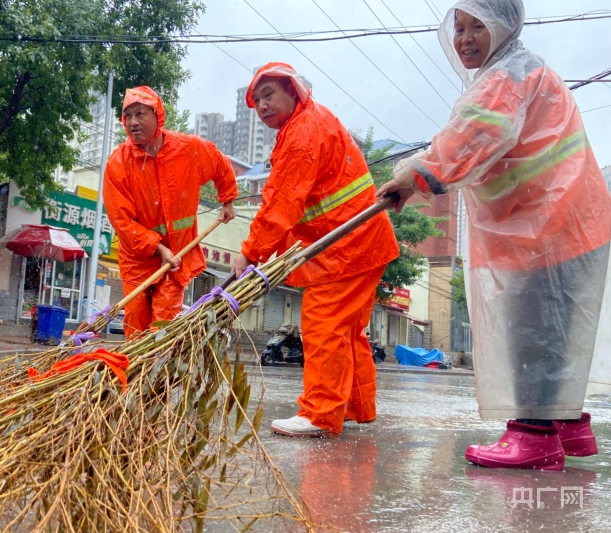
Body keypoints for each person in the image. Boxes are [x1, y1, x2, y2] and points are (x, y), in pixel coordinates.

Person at [377, 0, 611, 470]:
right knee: (556, 335)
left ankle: (534, 436)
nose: (464, 38)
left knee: (529, 336)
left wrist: (409, 177)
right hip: (571, 225)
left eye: (476, 26)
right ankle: (568, 424)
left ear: (503, 25)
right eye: (458, 27)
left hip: (542, 231)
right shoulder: (527, 71)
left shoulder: (509, 75)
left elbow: (471, 138)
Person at [232, 63, 399, 438]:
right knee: (347, 331)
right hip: (359, 242)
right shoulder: (309, 123)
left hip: (347, 247)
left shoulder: (303, 131)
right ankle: (355, 406)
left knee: (324, 324)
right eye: (256, 100)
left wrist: (252, 252)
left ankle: (320, 414)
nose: (262, 106)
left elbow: (282, 204)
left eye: (269, 94)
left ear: (293, 90)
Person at [104, 86, 238, 338]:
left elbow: (221, 164)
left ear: (157, 115)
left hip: (177, 255)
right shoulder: (118, 163)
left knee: (161, 331)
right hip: (137, 259)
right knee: (135, 328)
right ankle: (137, 375)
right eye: (128, 116)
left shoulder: (188, 149)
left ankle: (159, 373)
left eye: (140, 113)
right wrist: (158, 247)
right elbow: (121, 221)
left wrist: (228, 199)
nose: (133, 122)